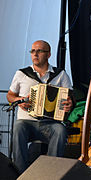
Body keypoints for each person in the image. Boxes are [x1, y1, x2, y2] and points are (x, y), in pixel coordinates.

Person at [6, 40, 73, 173]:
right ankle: (20, 173)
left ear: (48, 55)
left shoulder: (60, 75)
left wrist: (69, 104)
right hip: (27, 122)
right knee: (18, 127)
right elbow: (10, 96)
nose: (35, 54)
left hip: (50, 123)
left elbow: (70, 99)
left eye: (39, 51)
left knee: (60, 130)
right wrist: (19, 100)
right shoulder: (22, 73)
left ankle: (50, 172)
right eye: (32, 51)